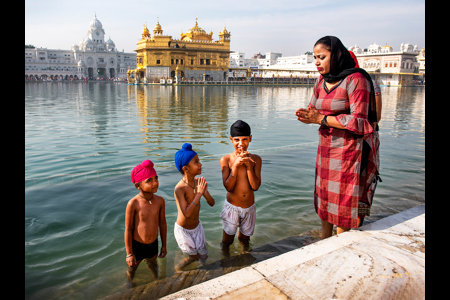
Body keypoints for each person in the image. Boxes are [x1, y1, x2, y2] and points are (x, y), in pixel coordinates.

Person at [295, 36, 380, 239]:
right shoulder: (321, 80)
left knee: (344, 204)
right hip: (326, 149)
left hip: (350, 152)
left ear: (337, 55)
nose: (316, 62)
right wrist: (307, 116)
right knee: (325, 196)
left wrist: (322, 118)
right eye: (315, 57)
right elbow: (314, 108)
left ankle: (341, 244)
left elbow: (362, 122)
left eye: (321, 57)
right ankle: (324, 241)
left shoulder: (356, 79)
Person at [219, 120, 262, 255]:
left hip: (249, 208)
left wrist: (249, 166)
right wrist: (236, 166)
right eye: (237, 140)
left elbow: (255, 187)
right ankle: (225, 260)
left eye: (245, 139)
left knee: (245, 239)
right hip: (232, 207)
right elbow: (228, 187)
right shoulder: (226, 160)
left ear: (250, 139)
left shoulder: (256, 160)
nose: (241, 144)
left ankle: (244, 259)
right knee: (227, 241)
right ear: (231, 140)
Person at [124, 160, 167, 287]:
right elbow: (127, 229)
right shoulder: (133, 203)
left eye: (156, 178)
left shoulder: (160, 201)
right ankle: (130, 284)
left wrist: (164, 245)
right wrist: (129, 253)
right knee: (133, 268)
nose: (155, 183)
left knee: (153, 264)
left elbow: (163, 224)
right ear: (138, 186)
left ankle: (156, 281)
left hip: (153, 243)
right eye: (149, 180)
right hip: (137, 245)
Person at [173, 143, 215, 271]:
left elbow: (212, 203)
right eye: (196, 162)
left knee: (203, 255)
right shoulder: (179, 189)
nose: (200, 164)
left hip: (197, 227)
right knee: (193, 257)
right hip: (184, 230)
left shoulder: (198, 183)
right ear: (186, 168)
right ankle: (178, 269)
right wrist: (199, 194)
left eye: (199, 161)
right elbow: (186, 213)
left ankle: (204, 270)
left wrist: (205, 193)